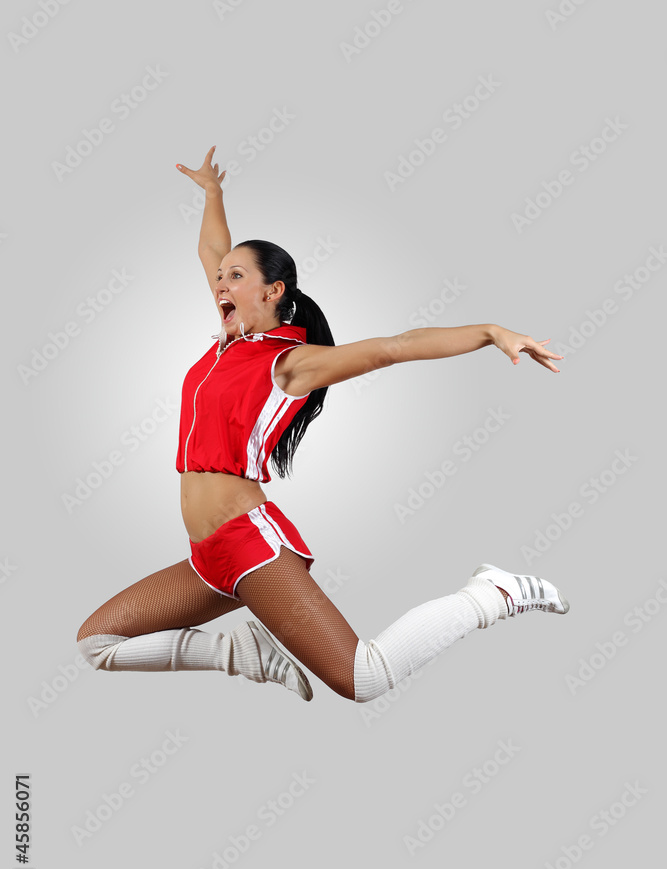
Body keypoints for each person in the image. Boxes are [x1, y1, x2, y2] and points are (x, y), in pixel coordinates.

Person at [76, 146, 569, 704]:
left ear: (272, 292)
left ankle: (491, 595)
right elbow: (213, 249)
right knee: (98, 642)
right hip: (205, 552)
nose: (220, 284)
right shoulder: (229, 343)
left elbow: (392, 348)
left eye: (234, 277)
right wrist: (213, 193)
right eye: (218, 278)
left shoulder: (289, 362)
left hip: (246, 543)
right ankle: (240, 654)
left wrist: (489, 331)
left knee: (364, 677)